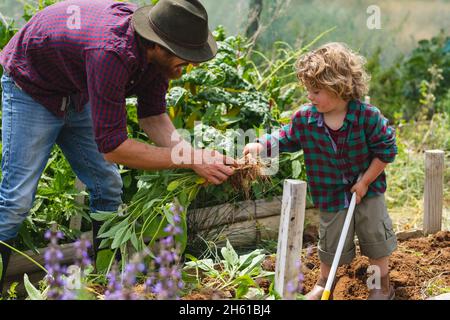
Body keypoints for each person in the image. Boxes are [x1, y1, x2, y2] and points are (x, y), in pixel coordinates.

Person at [0, 0, 235, 293]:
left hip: (77, 89)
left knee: (107, 186)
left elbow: (154, 117)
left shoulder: (155, 60)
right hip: (32, 87)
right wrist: (188, 160)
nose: (190, 64)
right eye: (185, 56)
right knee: (16, 201)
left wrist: (194, 156)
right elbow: (114, 148)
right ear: (158, 45)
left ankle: (105, 284)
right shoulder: (111, 53)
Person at [244, 42, 398, 300]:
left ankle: (379, 286)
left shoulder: (366, 117)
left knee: (375, 238)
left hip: (367, 191)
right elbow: (285, 138)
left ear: (340, 87)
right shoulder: (305, 119)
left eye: (315, 91)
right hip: (330, 194)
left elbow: (387, 151)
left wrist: (366, 182)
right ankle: (324, 283)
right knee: (330, 242)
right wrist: (261, 145)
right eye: (308, 91)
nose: (309, 97)